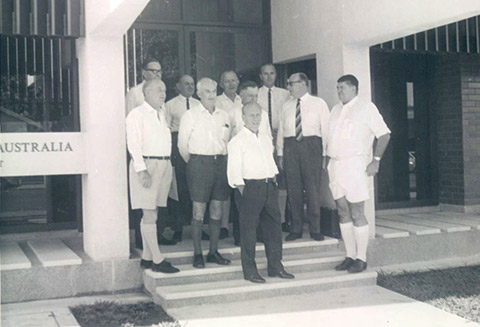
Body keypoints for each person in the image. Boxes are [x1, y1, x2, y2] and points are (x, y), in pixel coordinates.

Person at [326, 74, 390, 273]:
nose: (339, 91)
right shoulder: (335, 110)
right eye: (337, 88)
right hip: (336, 165)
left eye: (342, 87)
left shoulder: (366, 107)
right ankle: (350, 255)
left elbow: (384, 134)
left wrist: (376, 161)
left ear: (354, 88)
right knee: (342, 210)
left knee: (356, 212)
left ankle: (361, 259)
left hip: (355, 165)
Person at [228, 102, 294, 283]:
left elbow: (269, 163)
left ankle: (275, 266)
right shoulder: (237, 142)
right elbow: (234, 171)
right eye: (251, 116)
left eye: (258, 115)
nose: (256, 119)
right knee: (248, 231)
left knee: (273, 228)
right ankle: (249, 271)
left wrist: (273, 182)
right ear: (243, 118)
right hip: (249, 188)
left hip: (268, 187)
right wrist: (244, 191)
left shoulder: (265, 138)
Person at [126, 79, 179, 273]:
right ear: (146, 93)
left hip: (164, 165)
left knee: (152, 212)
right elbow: (134, 145)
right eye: (158, 90)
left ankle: (147, 258)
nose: (163, 94)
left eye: (164, 90)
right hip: (147, 166)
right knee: (149, 213)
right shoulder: (136, 115)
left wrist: (168, 167)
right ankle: (157, 259)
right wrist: (142, 171)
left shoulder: (162, 113)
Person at [178, 77, 232, 268]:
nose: (211, 95)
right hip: (199, 164)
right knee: (199, 210)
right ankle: (198, 253)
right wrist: (196, 162)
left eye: (214, 90)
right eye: (207, 91)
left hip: (220, 164)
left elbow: (228, 141)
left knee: (217, 208)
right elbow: (182, 146)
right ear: (199, 94)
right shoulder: (190, 115)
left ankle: (213, 251)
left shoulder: (224, 115)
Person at [277, 73, 330, 242]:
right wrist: (280, 153)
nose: (289, 87)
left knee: (313, 189)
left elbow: (326, 130)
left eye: (291, 84)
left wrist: (325, 154)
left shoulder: (318, 103)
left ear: (303, 84)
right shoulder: (286, 106)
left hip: (312, 146)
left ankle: (315, 229)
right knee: (294, 189)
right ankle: (296, 228)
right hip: (291, 147)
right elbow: (281, 132)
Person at [230, 81, 272, 246]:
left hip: (259, 166)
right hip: (241, 164)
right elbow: (227, 137)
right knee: (241, 205)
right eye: (250, 96)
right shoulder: (233, 113)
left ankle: (259, 233)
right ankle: (239, 236)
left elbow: (267, 136)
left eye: (256, 95)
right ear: (241, 97)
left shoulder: (263, 114)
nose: (254, 98)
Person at [165, 75, 200, 242]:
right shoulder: (170, 105)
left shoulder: (199, 105)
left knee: (196, 187)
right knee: (178, 189)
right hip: (176, 147)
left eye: (192, 84)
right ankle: (177, 228)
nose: (190, 87)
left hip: (195, 145)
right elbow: (166, 129)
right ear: (178, 86)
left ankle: (197, 228)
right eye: (186, 84)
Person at [257, 63, 291, 233]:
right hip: (262, 137)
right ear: (260, 76)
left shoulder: (285, 94)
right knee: (265, 178)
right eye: (265, 74)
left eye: (272, 73)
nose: (269, 76)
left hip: (280, 135)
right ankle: (265, 220)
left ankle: (282, 219)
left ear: (276, 75)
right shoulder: (256, 94)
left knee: (281, 179)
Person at [216, 71, 242, 239]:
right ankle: (224, 226)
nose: (231, 84)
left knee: (240, 189)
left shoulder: (243, 100)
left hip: (243, 152)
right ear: (221, 84)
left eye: (233, 80)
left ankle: (241, 227)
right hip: (224, 150)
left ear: (238, 82)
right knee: (225, 190)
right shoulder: (217, 102)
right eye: (227, 81)